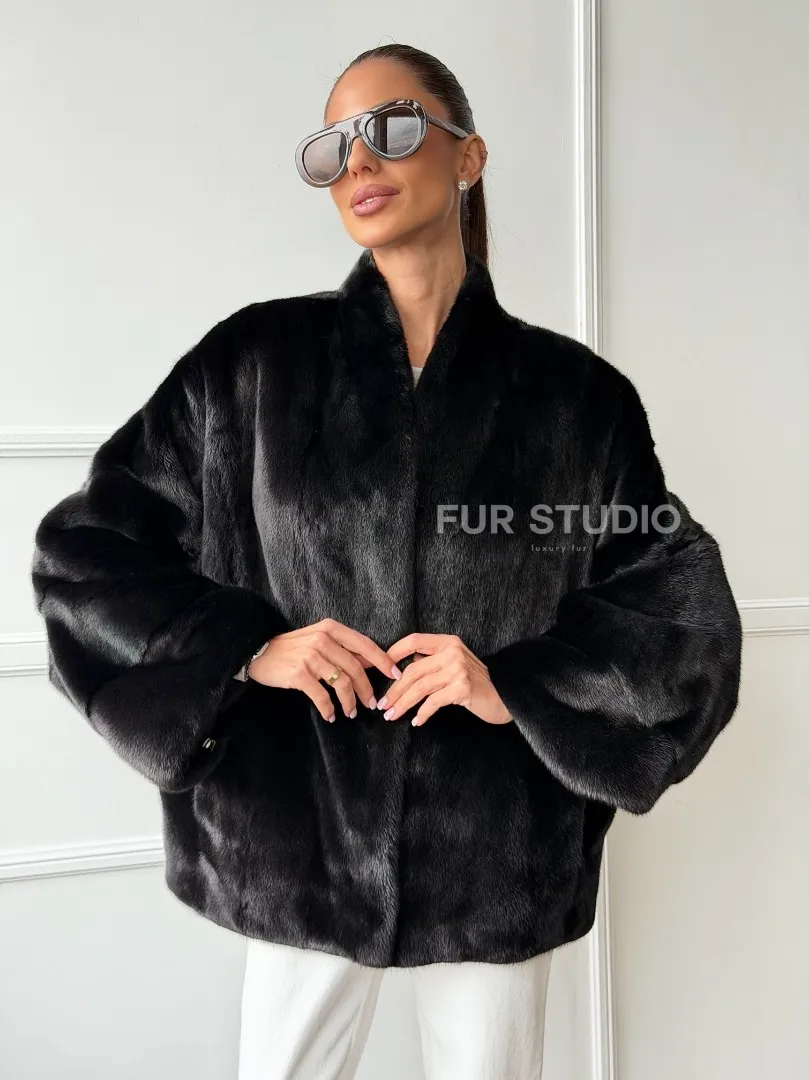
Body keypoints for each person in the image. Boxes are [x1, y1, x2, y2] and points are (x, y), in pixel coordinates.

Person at [30, 43, 743, 1080]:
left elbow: (675, 608)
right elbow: (87, 551)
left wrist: (517, 685)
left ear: (468, 156)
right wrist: (247, 647)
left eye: (392, 127)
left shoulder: (576, 399)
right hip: (294, 841)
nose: (359, 160)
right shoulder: (253, 366)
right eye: (333, 146)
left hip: (498, 848)